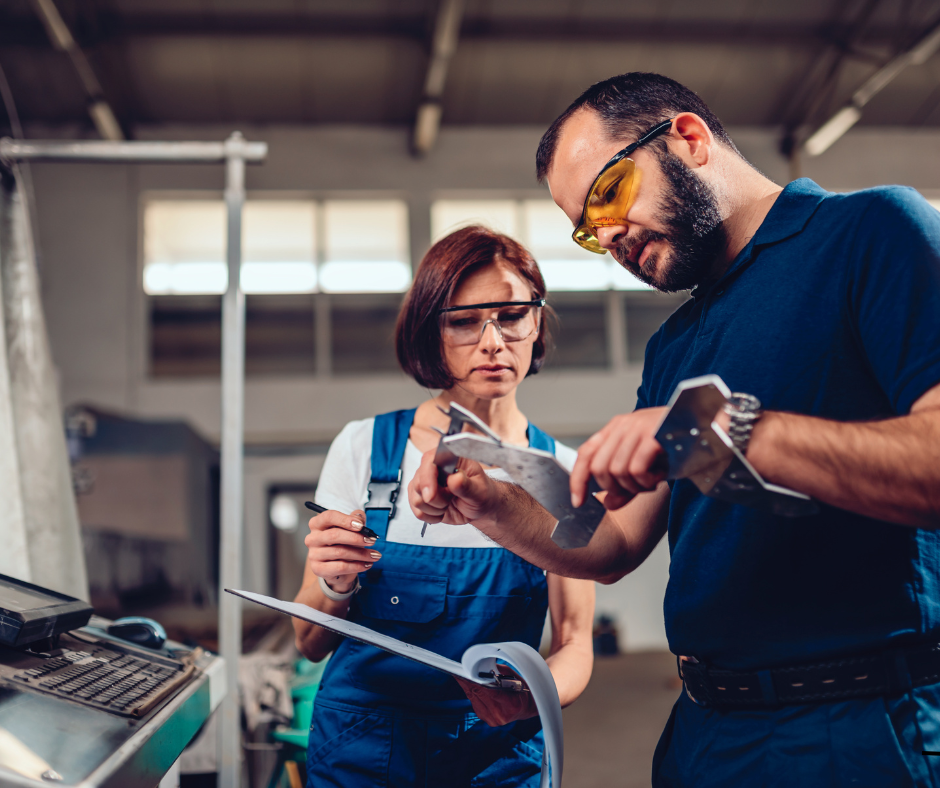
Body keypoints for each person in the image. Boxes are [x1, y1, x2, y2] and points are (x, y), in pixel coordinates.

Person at [408, 72, 940, 787]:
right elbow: (616, 541)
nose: (609, 236)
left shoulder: (870, 233)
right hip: (706, 729)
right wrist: (494, 504)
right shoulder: (676, 345)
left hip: (858, 720)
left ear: (687, 139)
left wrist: (735, 429)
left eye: (608, 193)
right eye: (588, 228)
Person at [293, 225, 595, 788]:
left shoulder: (562, 473)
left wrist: (536, 696)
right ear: (431, 334)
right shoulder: (365, 448)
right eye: (463, 320)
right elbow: (308, 644)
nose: (492, 340)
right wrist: (334, 584)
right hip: (362, 751)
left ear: (537, 324)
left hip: (497, 758)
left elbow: (576, 641)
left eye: (511, 316)